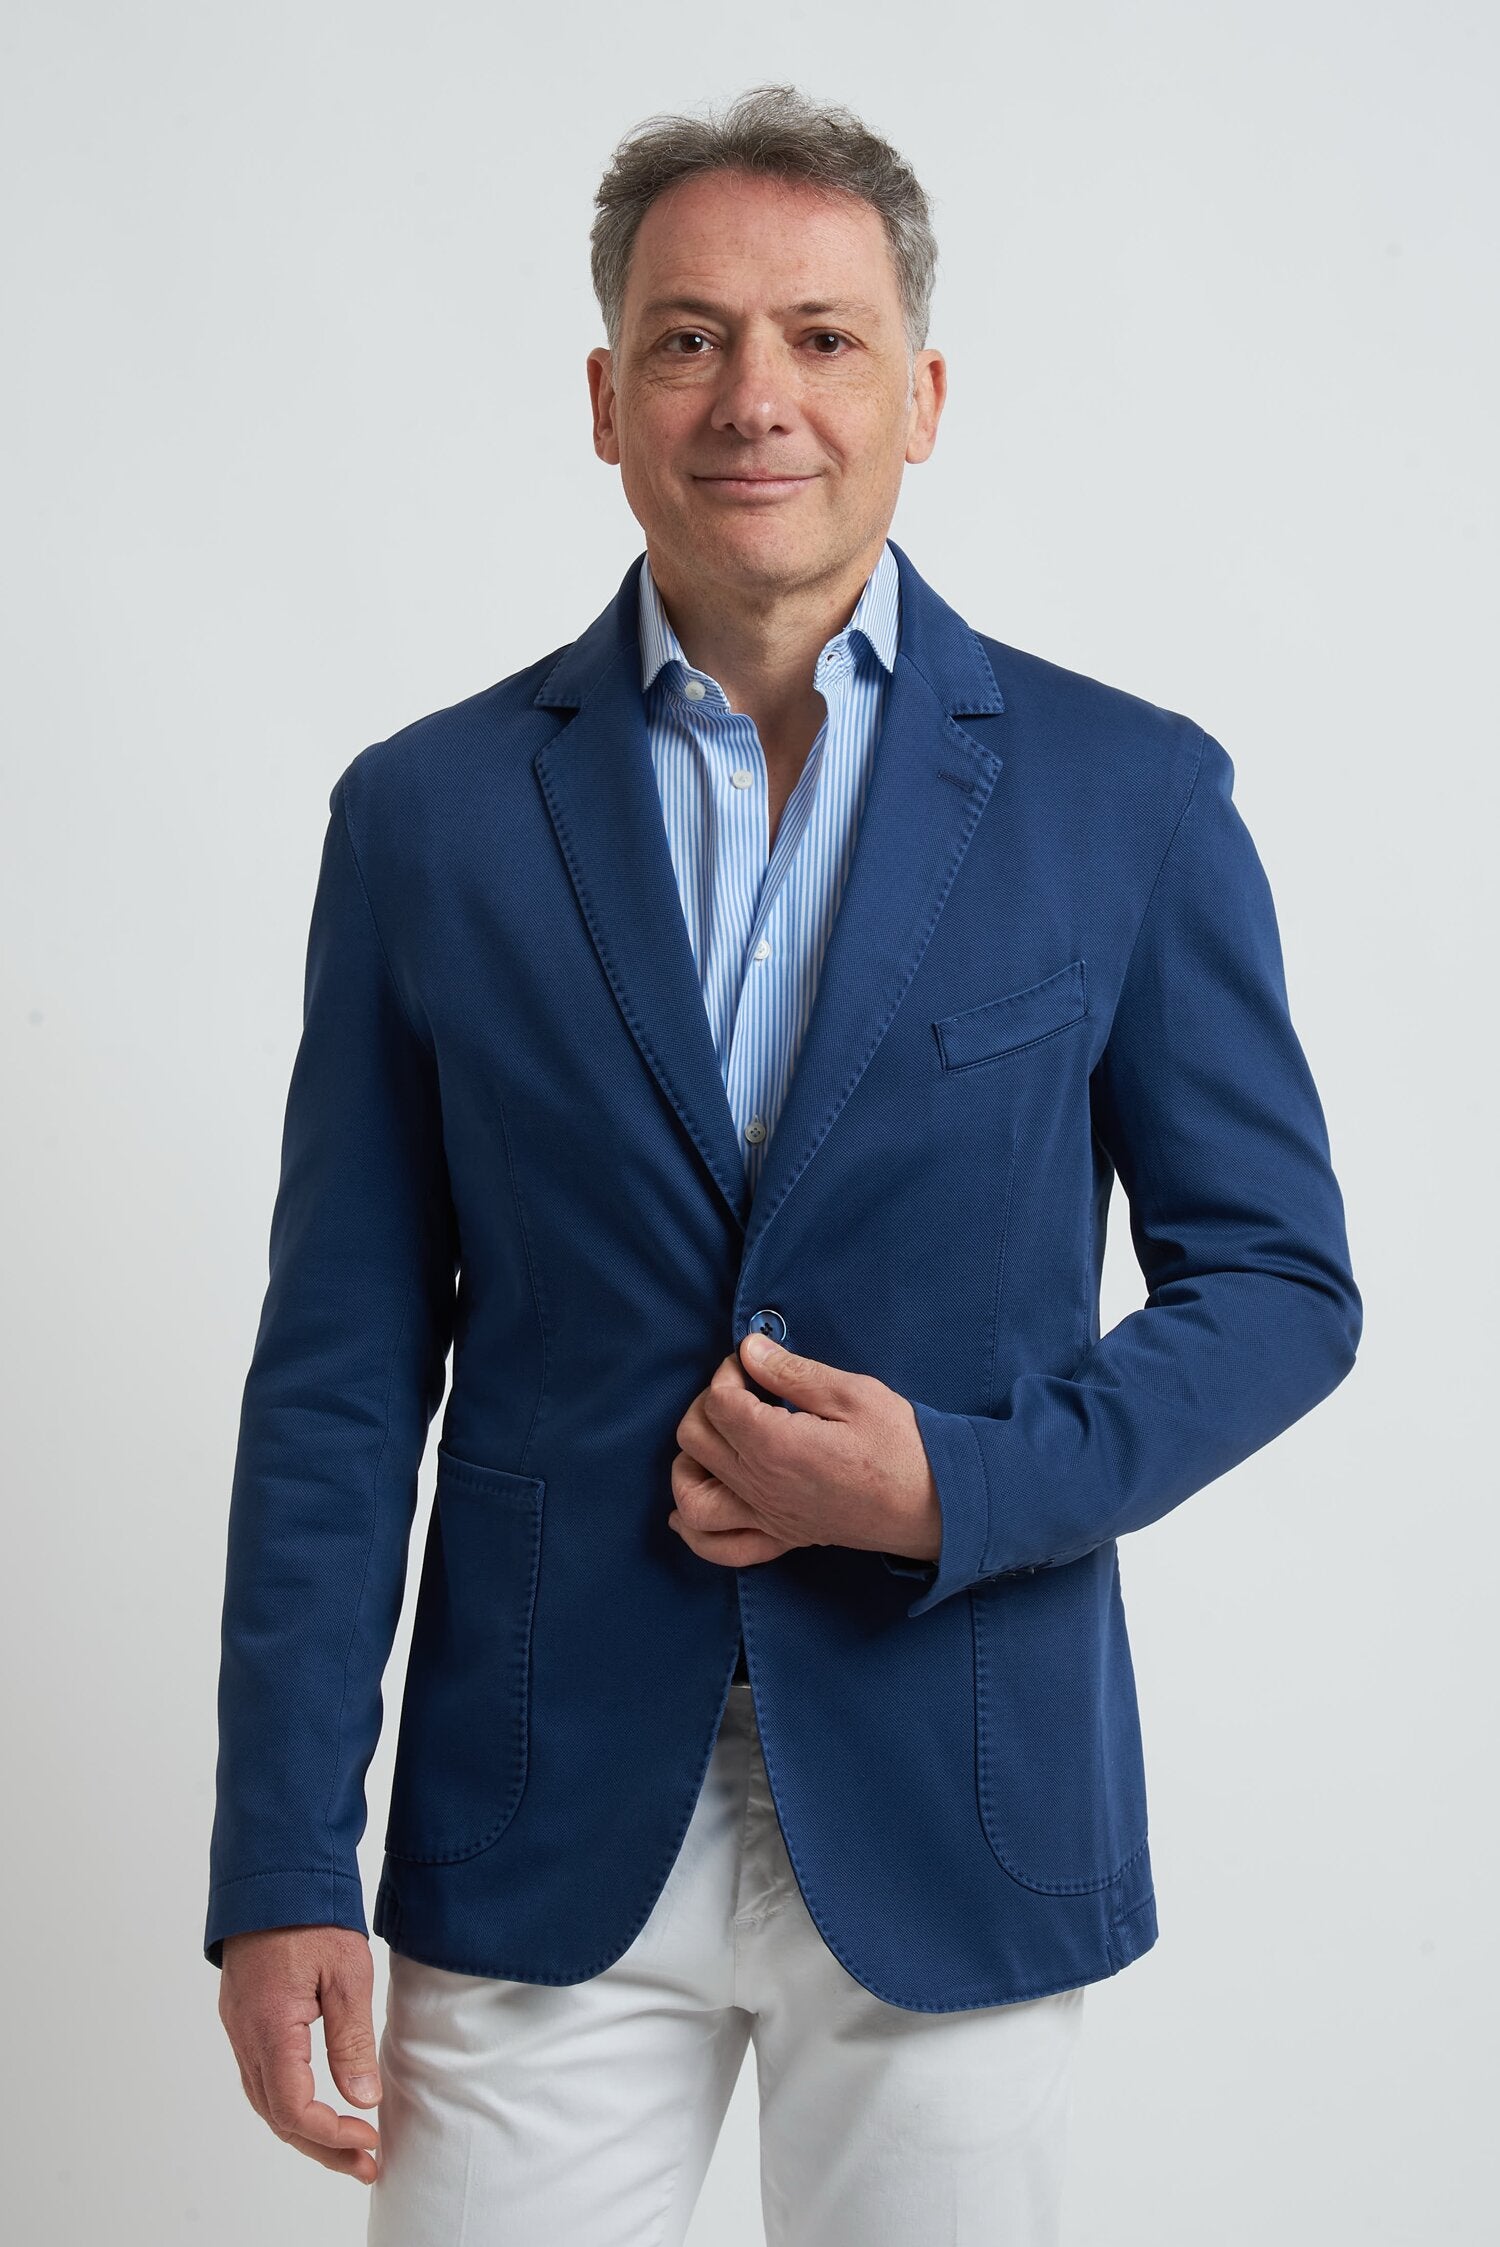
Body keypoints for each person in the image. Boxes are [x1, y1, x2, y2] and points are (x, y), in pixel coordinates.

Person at [206, 81, 1362, 2247]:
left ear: (921, 396)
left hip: (959, 1775)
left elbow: (1281, 1288)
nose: (757, 397)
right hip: (540, 1808)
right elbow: (341, 1376)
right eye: (690, 337)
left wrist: (954, 1485)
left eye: (823, 337)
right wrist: (281, 1857)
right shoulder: (427, 817)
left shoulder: (1127, 795)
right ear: (605, 399)